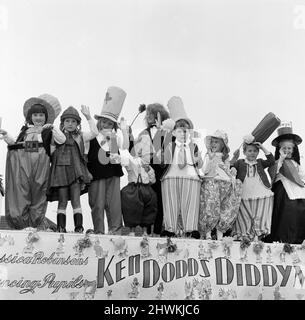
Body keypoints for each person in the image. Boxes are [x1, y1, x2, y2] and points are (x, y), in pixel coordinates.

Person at [0, 94, 64, 229]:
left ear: (46, 117)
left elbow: (62, 140)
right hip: (23, 167)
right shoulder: (25, 131)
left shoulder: (48, 132)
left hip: (41, 168)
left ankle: (34, 224)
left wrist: (53, 128)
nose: (38, 118)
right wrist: (6, 135)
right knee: (22, 194)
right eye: (35, 115)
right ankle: (21, 225)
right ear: (30, 117)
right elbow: (16, 144)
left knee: (39, 195)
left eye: (41, 115)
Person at [47, 105, 98, 233]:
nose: (70, 124)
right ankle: (61, 227)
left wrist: (88, 117)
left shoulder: (80, 136)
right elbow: (51, 152)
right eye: (67, 121)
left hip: (76, 172)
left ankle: (79, 227)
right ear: (62, 123)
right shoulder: (56, 135)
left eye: (73, 121)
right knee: (62, 200)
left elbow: (95, 133)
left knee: (76, 200)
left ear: (78, 124)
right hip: (60, 172)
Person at [87, 86, 129, 235]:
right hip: (96, 173)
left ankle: (115, 230)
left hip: (113, 173)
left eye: (110, 123)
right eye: (104, 122)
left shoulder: (114, 138)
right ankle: (99, 231)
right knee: (97, 203)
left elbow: (125, 147)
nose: (106, 125)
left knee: (114, 203)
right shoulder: (92, 136)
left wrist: (124, 130)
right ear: (99, 122)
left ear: (113, 126)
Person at [160, 96, 203, 238]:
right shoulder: (169, 145)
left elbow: (200, 164)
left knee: (190, 203)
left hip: (190, 178)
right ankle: (170, 228)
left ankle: (190, 228)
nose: (183, 133)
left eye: (185, 130)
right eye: (179, 130)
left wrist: (198, 160)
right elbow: (162, 160)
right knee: (171, 202)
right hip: (171, 176)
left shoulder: (193, 146)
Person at [199, 130, 242, 240]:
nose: (213, 144)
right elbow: (204, 170)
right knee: (209, 206)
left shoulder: (224, 157)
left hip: (224, 183)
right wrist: (210, 158)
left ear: (222, 145)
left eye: (216, 142)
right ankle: (208, 232)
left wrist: (232, 171)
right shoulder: (209, 155)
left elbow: (227, 169)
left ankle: (220, 232)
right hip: (211, 181)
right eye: (212, 142)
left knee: (225, 205)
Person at [266, 122, 305, 244]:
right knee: (286, 213)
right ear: (279, 149)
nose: (287, 150)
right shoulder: (278, 162)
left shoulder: (296, 164)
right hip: (283, 190)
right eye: (284, 148)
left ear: (293, 150)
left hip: (298, 191)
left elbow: (302, 177)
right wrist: (281, 159)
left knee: (299, 213)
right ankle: (283, 239)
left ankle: (298, 239)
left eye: (289, 148)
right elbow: (273, 173)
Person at [137, 102, 172, 236]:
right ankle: (146, 230)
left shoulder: (167, 132)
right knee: (147, 201)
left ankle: (157, 230)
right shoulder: (143, 133)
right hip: (146, 171)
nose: (149, 116)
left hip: (162, 171)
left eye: (152, 114)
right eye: (148, 114)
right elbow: (136, 151)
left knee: (160, 202)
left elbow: (167, 151)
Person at [230, 139, 275, 241]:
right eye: (250, 151)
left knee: (259, 213)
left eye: (255, 151)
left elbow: (271, 161)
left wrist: (262, 147)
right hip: (244, 191)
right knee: (244, 214)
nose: (252, 153)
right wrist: (234, 161)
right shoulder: (240, 162)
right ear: (245, 152)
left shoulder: (259, 162)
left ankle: (257, 234)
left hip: (260, 191)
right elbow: (230, 165)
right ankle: (244, 234)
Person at [119, 134, 158, 236]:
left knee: (149, 207)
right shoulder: (133, 161)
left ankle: (145, 230)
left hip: (146, 188)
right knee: (130, 206)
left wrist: (149, 171)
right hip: (133, 188)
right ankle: (131, 230)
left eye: (150, 154)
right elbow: (125, 161)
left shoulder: (149, 167)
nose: (149, 156)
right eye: (147, 153)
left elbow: (153, 180)